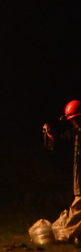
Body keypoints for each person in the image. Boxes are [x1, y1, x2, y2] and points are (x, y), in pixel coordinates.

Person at [42, 99, 81, 242]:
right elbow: (61, 143)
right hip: (79, 179)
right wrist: (51, 136)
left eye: (76, 119)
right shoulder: (76, 132)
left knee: (78, 209)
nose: (74, 122)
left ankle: (67, 235)